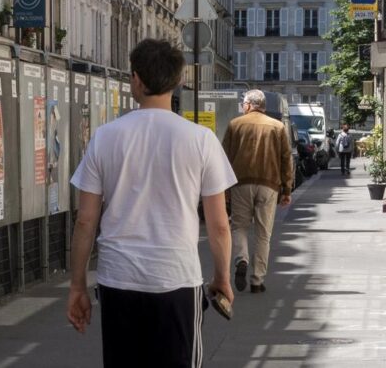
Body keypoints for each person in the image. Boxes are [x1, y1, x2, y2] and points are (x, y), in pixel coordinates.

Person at [67, 39, 236, 367]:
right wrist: (222, 277)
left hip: (118, 280)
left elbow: (85, 221)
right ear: (177, 81)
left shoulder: (105, 137)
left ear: (136, 79)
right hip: (175, 279)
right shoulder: (200, 139)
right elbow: (218, 224)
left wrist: (77, 286)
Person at [222, 89, 293, 294]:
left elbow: (224, 156)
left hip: (240, 183)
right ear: (263, 106)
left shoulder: (235, 125)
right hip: (269, 185)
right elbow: (286, 159)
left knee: (239, 227)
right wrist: (287, 189)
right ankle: (257, 280)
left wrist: (224, 188)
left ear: (248, 105)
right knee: (263, 234)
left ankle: (241, 259)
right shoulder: (278, 127)